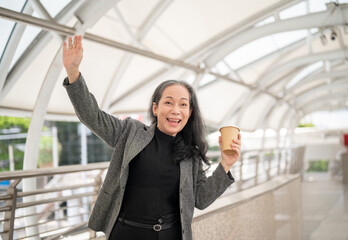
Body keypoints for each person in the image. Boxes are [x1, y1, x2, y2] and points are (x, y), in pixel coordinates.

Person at [62, 35, 241, 240]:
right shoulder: (131, 132)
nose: (176, 110)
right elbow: (92, 116)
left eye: (183, 104)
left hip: (170, 234)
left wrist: (226, 165)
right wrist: (73, 72)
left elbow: (200, 199)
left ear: (189, 112)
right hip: (126, 233)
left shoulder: (190, 151)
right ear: (155, 108)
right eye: (168, 102)